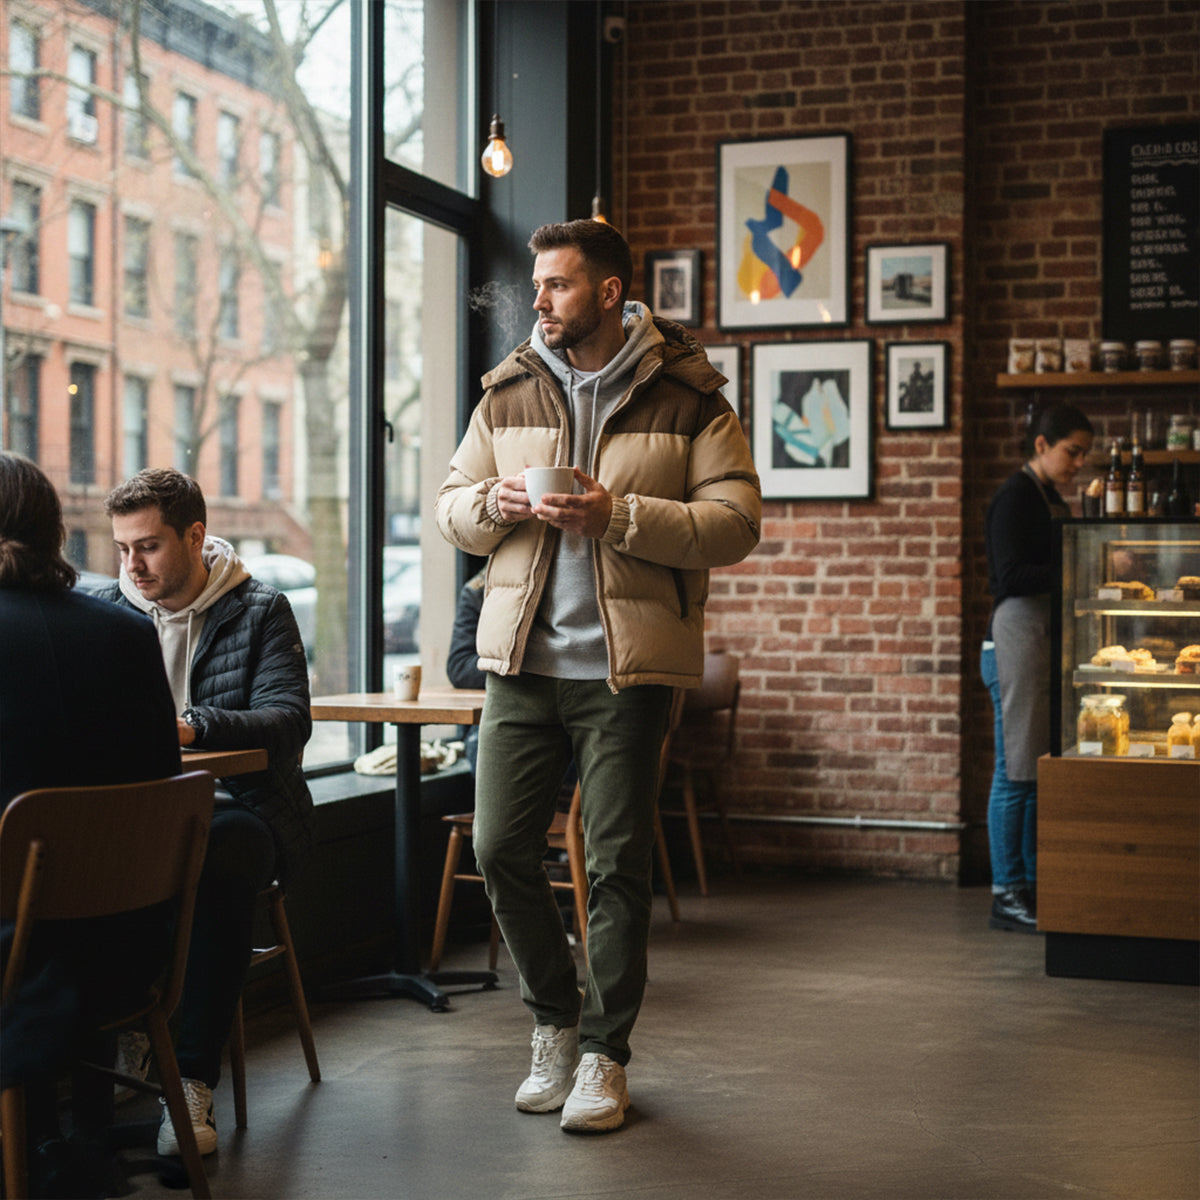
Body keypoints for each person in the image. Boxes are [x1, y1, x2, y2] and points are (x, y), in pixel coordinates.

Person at [435, 219, 761, 1133]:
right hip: (521, 666)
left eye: (558, 285)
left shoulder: (690, 392)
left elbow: (735, 522)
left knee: (616, 865)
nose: (538, 300)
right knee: (499, 848)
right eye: (537, 285)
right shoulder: (507, 389)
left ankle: (604, 1056)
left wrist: (618, 514)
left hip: (629, 673)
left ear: (611, 293)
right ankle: (554, 1019)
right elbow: (450, 506)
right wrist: (491, 505)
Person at [96, 467, 314, 1157]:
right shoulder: (110, 611)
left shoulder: (260, 609)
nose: (133, 565)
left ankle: (190, 1083)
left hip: (245, 807)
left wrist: (192, 726)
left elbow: (287, 721)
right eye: (123, 548)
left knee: (220, 858)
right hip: (140, 813)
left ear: (195, 535)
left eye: (149, 547)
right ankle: (133, 1028)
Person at [0, 453, 183, 1197]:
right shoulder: (125, 635)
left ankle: (38, 1147)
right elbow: (162, 786)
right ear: (57, 534)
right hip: (127, 946)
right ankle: (69, 1143)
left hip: (17, 961)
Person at [982, 402, 1093, 933]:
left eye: (1085, 454)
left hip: (1038, 641)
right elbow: (1010, 575)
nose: (1079, 464)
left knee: (1037, 771)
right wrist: (1074, 567)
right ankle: (1006, 892)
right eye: (1073, 452)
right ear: (1042, 446)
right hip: (1013, 640)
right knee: (1015, 773)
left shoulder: (1049, 497)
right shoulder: (1015, 498)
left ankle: (1030, 884)